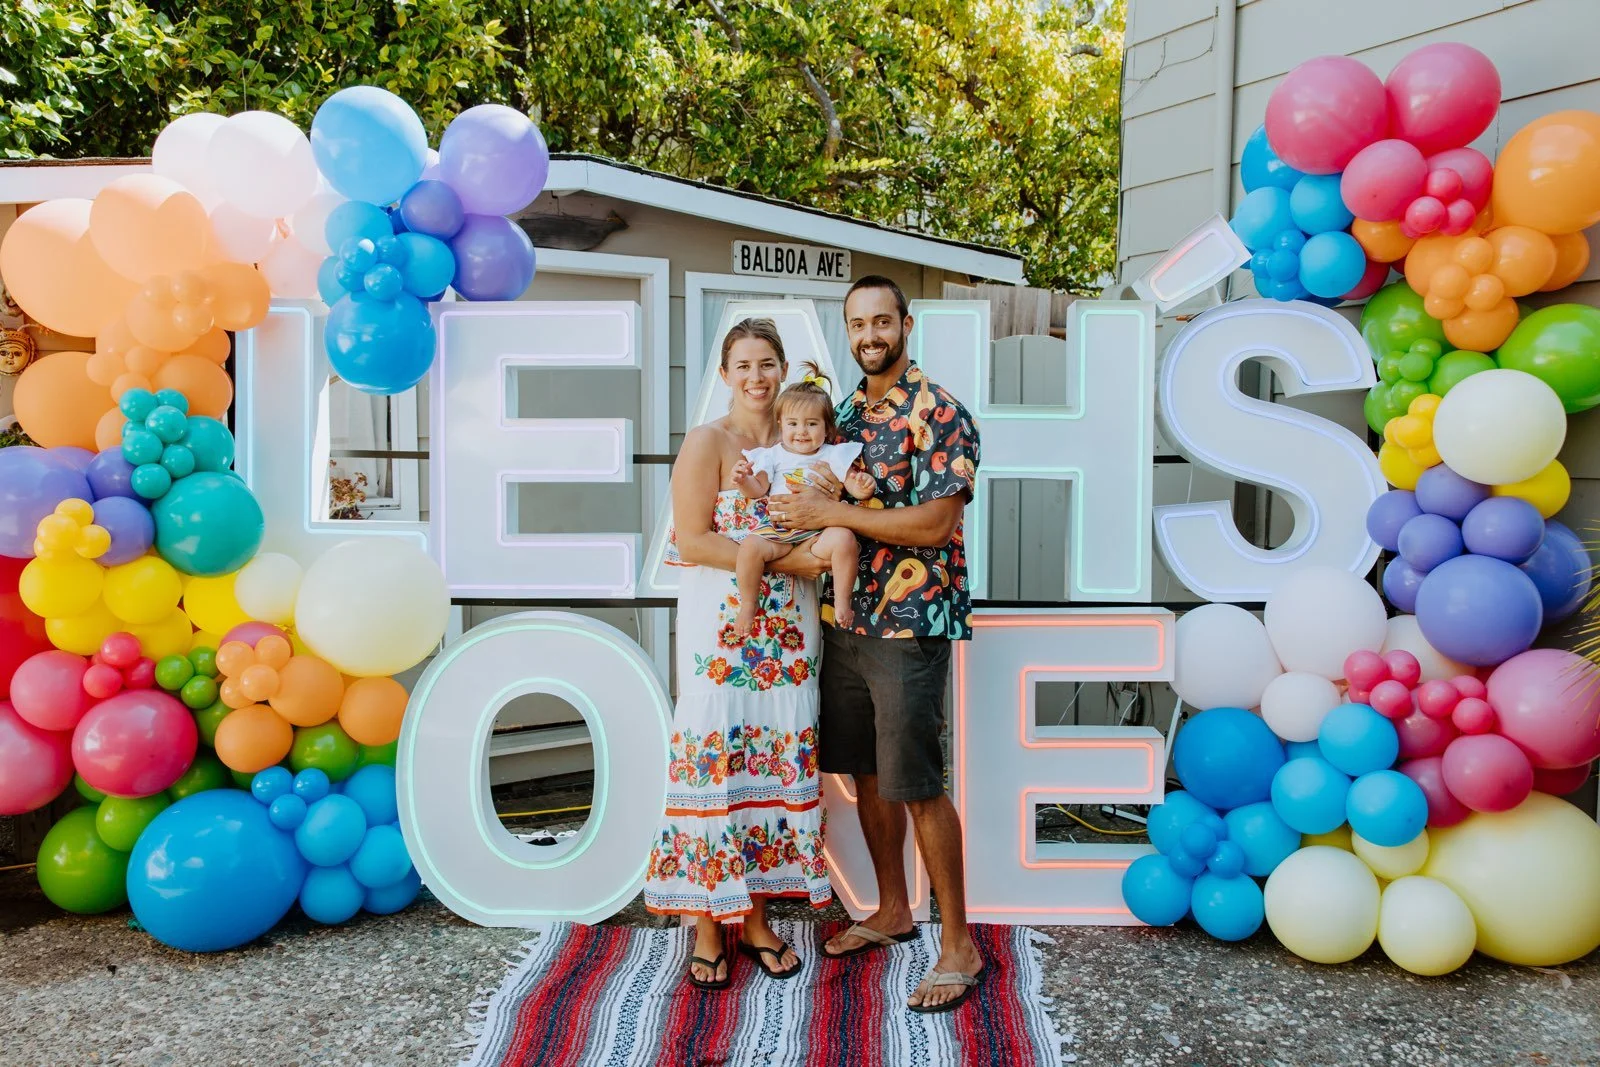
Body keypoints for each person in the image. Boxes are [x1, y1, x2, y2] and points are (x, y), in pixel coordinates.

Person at [767, 275, 984, 1014]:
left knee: (917, 783)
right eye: (859, 323)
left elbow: (935, 526)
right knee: (862, 773)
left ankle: (959, 944)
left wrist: (835, 512)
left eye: (882, 321)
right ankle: (893, 908)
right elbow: (812, 495)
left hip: (910, 625)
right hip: (845, 625)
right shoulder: (848, 412)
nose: (870, 334)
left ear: (905, 324)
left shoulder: (941, 412)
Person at [642, 318, 836, 990]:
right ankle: (706, 927)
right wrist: (781, 556)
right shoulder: (708, 441)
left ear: (784, 369)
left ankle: (753, 921)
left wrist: (808, 555)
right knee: (718, 767)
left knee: (766, 770)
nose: (756, 377)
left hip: (787, 643)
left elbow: (829, 531)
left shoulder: (801, 445)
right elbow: (693, 541)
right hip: (721, 640)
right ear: (724, 374)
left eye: (767, 364)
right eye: (743, 365)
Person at [731, 362, 877, 637]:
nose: (802, 432)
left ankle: (842, 602)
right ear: (781, 425)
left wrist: (863, 486)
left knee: (845, 539)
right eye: (793, 424)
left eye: (812, 424)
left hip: (818, 534)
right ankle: (748, 604)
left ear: (826, 429)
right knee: (750, 547)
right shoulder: (773, 455)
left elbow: (854, 488)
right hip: (779, 531)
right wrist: (743, 481)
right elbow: (758, 489)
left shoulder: (832, 455)